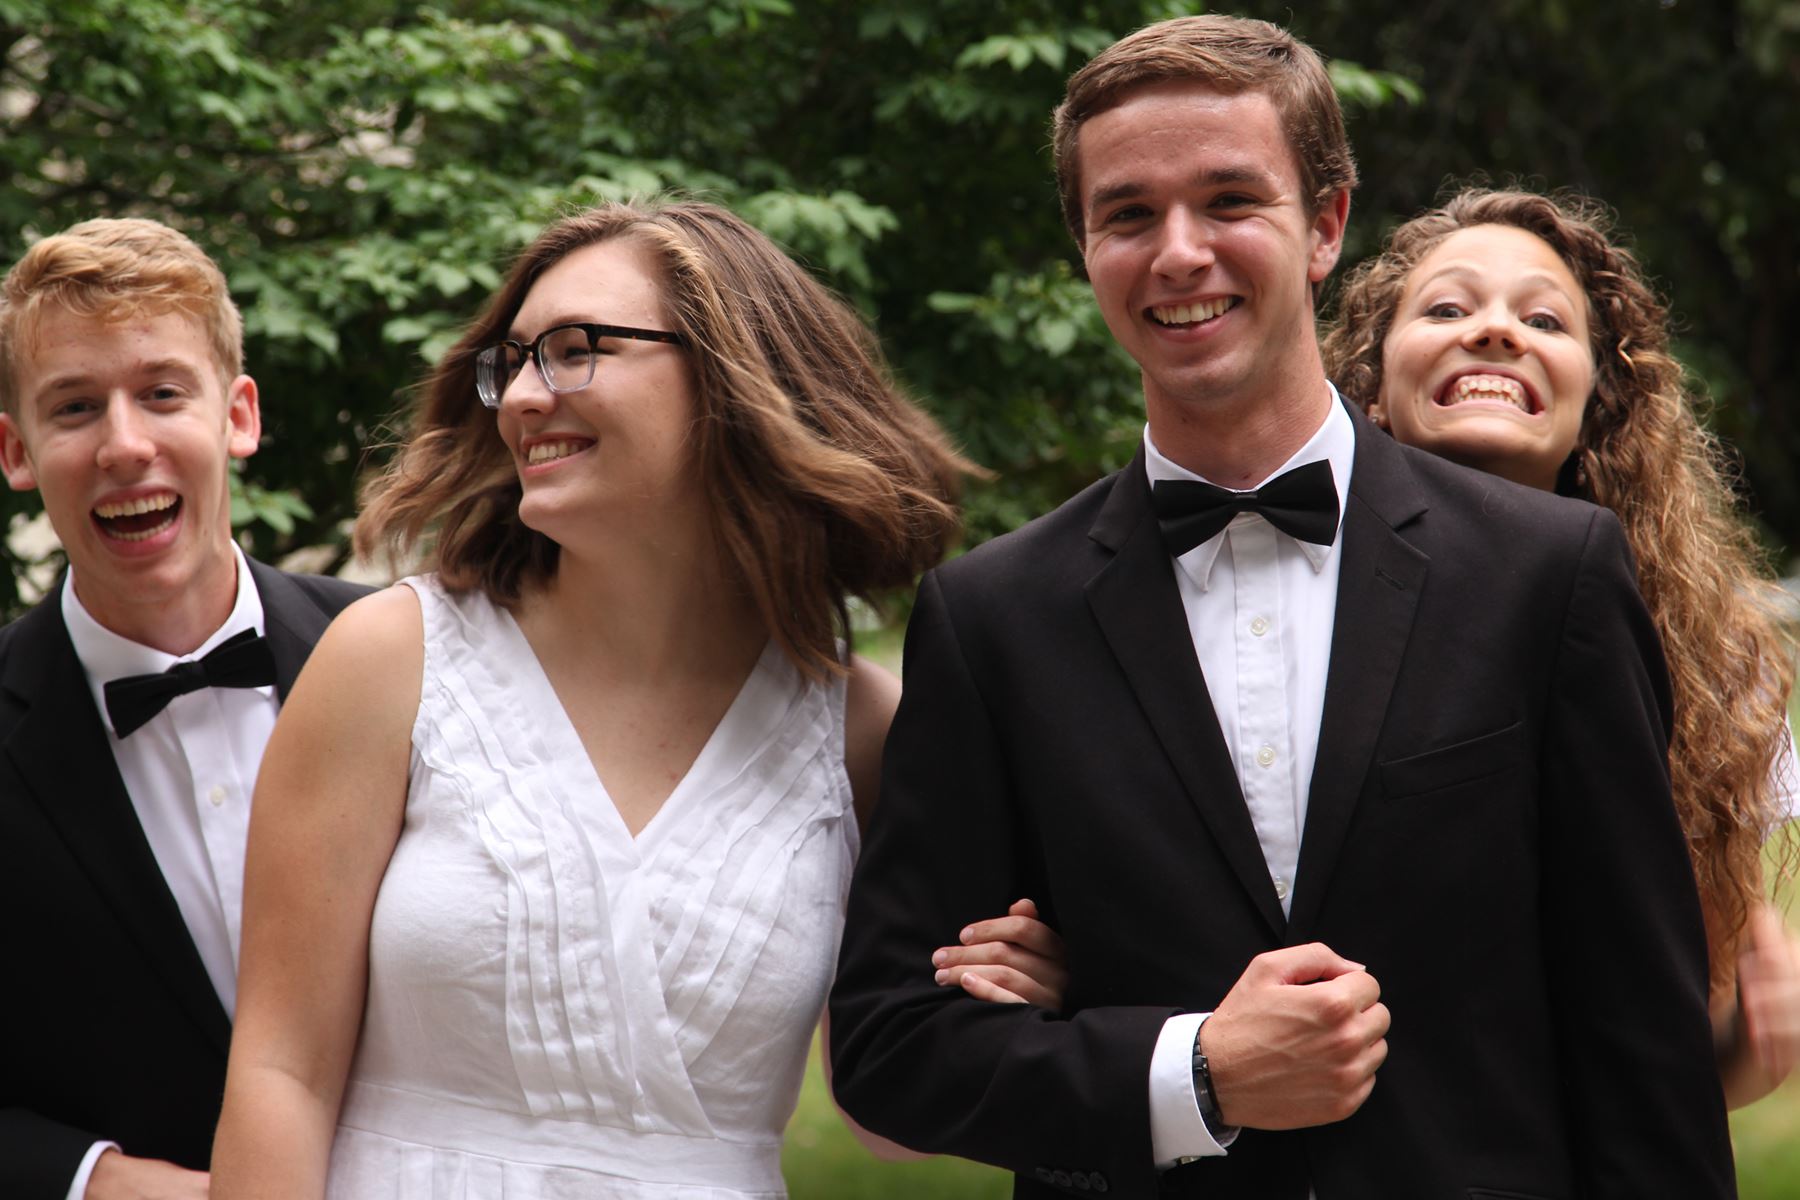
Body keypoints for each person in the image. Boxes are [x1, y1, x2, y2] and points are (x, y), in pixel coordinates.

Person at [828, 14, 1734, 1200]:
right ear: (1086, 250)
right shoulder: (993, 618)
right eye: (1128, 215)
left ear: (1325, 224)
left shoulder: (1545, 574)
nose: (1180, 253)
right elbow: (892, 1049)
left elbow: (1642, 1043)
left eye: (1229, 201)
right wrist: (1191, 1073)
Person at [208, 198, 1068, 1198]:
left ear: (732, 375)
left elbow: (891, 1121)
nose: (522, 396)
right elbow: (279, 1076)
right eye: (512, 362)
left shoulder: (862, 730)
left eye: (576, 351)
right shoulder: (392, 658)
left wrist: (1002, 1005)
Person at [1320, 184, 1800, 1109]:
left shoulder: (1706, 666)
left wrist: (1744, 1033)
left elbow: (1691, 1040)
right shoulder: (1283, 614)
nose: (1495, 330)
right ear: (1371, 389)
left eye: (1543, 319)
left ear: (1598, 404)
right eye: (1447, 308)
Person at [0, 217, 367, 1199]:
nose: (125, 445)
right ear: (16, 451)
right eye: (75, 407)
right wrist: (106, 1183)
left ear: (238, 416)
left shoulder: (408, 659)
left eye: (163, 393)